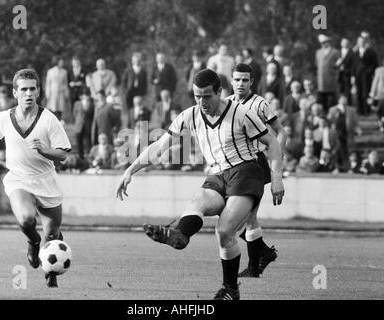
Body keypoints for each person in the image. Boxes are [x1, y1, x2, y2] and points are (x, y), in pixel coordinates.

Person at [116, 69, 285, 300]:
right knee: (196, 203)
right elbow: (159, 146)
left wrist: (276, 178)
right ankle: (178, 235)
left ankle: (230, 289)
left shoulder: (241, 113)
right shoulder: (189, 115)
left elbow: (273, 142)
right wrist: (130, 170)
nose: (202, 102)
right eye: (197, 96)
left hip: (246, 171)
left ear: (219, 92)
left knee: (224, 231)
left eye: (207, 96)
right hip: (216, 174)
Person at [0, 69, 71, 288]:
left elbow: (63, 154)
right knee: (26, 219)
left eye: (32, 88)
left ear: (38, 91)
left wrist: (44, 150)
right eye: (24, 89)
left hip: (46, 181)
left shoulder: (49, 119)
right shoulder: (4, 118)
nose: (28, 93)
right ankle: (33, 241)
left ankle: (51, 269)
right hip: (19, 180)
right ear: (15, 92)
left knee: (52, 234)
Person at [227, 63, 287, 278]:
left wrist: (276, 164)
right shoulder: (227, 103)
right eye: (237, 79)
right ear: (231, 81)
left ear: (252, 82)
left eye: (245, 80)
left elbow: (281, 133)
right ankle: (262, 254)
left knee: (247, 218)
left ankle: (255, 265)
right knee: (232, 217)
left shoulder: (260, 104)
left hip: (255, 163)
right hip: (233, 165)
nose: (241, 83)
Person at [122, 52, 148, 128]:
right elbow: (124, 82)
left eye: (138, 60)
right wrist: (125, 91)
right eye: (135, 60)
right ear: (132, 61)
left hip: (139, 92)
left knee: (139, 110)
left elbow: (145, 83)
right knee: (130, 111)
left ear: (140, 61)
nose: (136, 61)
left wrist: (144, 94)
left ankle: (138, 126)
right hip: (129, 93)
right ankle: (129, 126)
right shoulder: (128, 70)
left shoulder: (143, 71)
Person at [315, 34, 339, 113]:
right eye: (322, 43)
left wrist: (335, 67)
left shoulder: (335, 52)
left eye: (325, 42)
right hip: (321, 78)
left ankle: (331, 113)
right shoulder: (318, 52)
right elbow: (317, 64)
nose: (324, 44)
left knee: (331, 98)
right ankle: (324, 113)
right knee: (322, 98)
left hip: (331, 77)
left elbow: (339, 63)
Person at [45, 56, 70, 121]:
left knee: (60, 107)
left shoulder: (64, 72)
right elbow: (48, 83)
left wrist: (66, 93)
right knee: (53, 107)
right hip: (53, 92)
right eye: (61, 62)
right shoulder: (50, 71)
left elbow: (65, 83)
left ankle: (60, 121)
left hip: (61, 92)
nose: (62, 63)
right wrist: (47, 93)